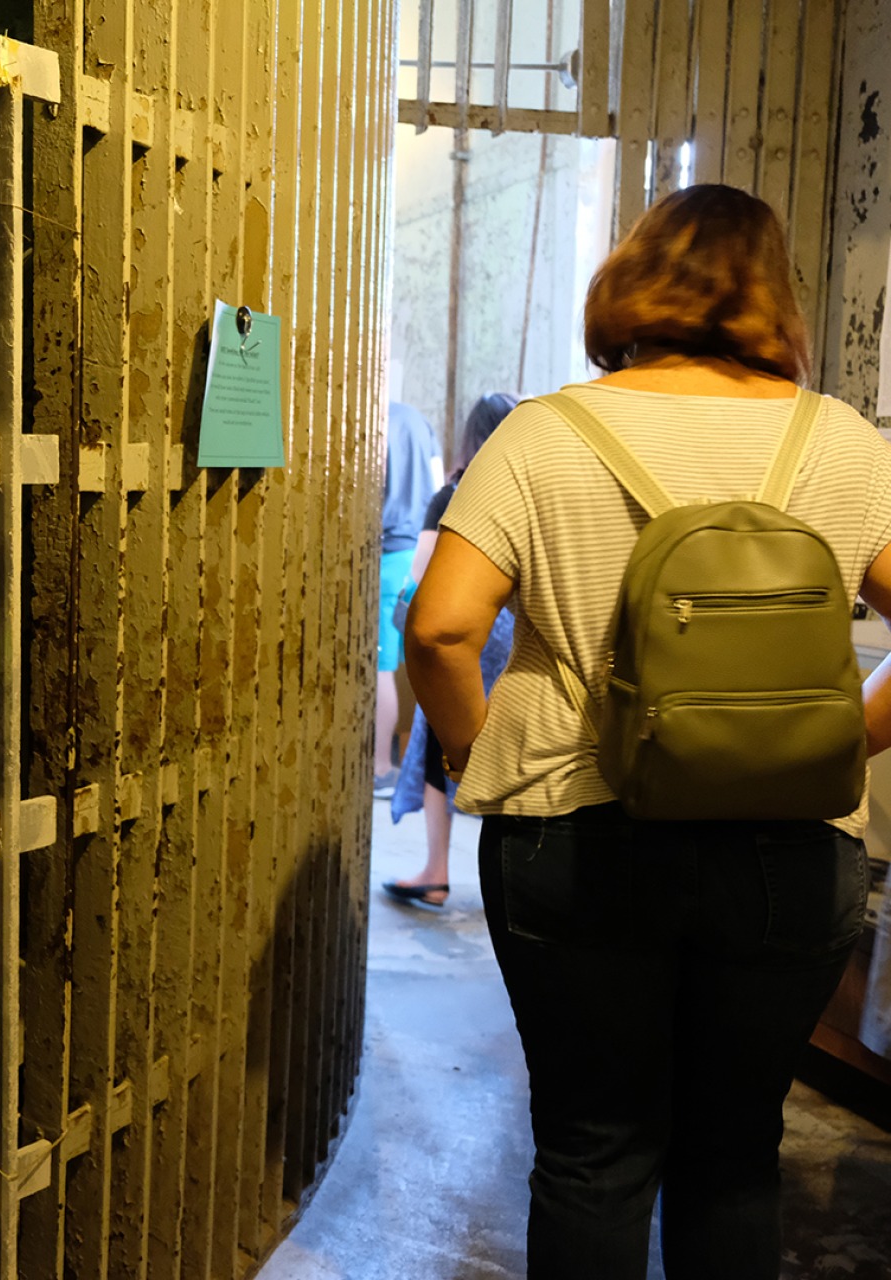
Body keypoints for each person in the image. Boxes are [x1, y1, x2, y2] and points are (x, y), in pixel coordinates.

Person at [405, 184, 891, 1279]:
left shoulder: (543, 432)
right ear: (778, 296)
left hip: (574, 833)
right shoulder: (846, 442)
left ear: (628, 280)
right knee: (733, 1159)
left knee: (592, 1153)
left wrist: (471, 752)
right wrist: (840, 742)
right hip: (787, 849)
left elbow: (439, 627)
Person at [382, 392, 520, 907]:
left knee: (437, 738)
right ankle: (508, 882)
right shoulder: (522, 489)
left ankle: (436, 872)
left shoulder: (455, 495)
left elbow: (422, 576)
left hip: (469, 636)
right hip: (516, 641)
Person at [376, 400, 443, 795]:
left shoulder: (372, 418)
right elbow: (436, 488)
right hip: (416, 551)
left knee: (380, 666)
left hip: (384, 554)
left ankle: (382, 767)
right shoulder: (420, 419)